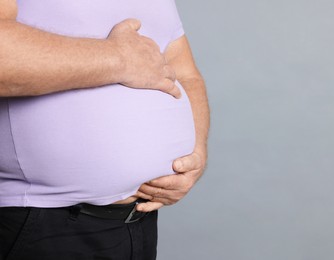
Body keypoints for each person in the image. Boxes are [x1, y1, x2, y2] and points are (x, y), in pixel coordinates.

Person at [0, 0, 209, 259]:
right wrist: (119, 58)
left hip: (136, 223)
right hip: (45, 220)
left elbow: (184, 73)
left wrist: (195, 155)